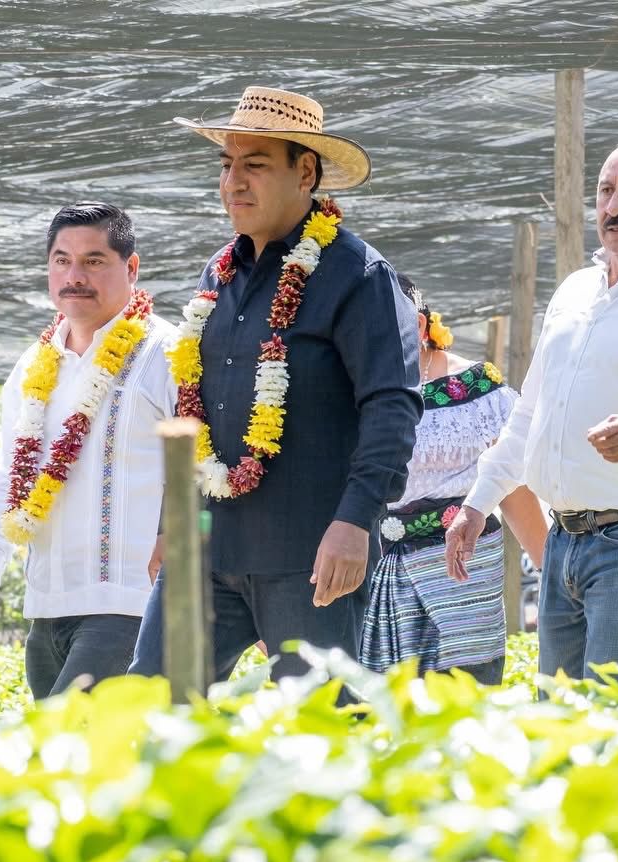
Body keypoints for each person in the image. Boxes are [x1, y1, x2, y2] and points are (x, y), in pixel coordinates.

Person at [128, 86, 423, 684]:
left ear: (306, 172)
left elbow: (391, 406)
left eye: (255, 164)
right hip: (206, 549)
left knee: (318, 722)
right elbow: (195, 409)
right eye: (227, 164)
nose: (233, 182)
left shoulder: (358, 274)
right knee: (153, 701)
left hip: (309, 552)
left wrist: (355, 522)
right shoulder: (219, 273)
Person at [445, 137, 618, 681]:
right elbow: (530, 414)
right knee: (559, 712)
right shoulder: (574, 292)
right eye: (606, 190)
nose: (615, 206)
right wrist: (477, 504)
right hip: (563, 540)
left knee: (606, 710)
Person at [0, 202, 177, 698]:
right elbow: (9, 474)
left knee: (70, 736)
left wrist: (180, 541)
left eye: (94, 261)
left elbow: (204, 468)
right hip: (47, 606)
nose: (74, 276)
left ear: (131, 267)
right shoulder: (35, 364)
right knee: (58, 746)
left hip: (131, 604)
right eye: (62, 260)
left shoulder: (168, 354)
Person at [360, 280, 548, 684]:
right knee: (383, 695)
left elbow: (511, 483)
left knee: (465, 687)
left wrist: (549, 571)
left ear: (420, 325)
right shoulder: (357, 389)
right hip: (381, 564)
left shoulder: (479, 390)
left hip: (462, 563)